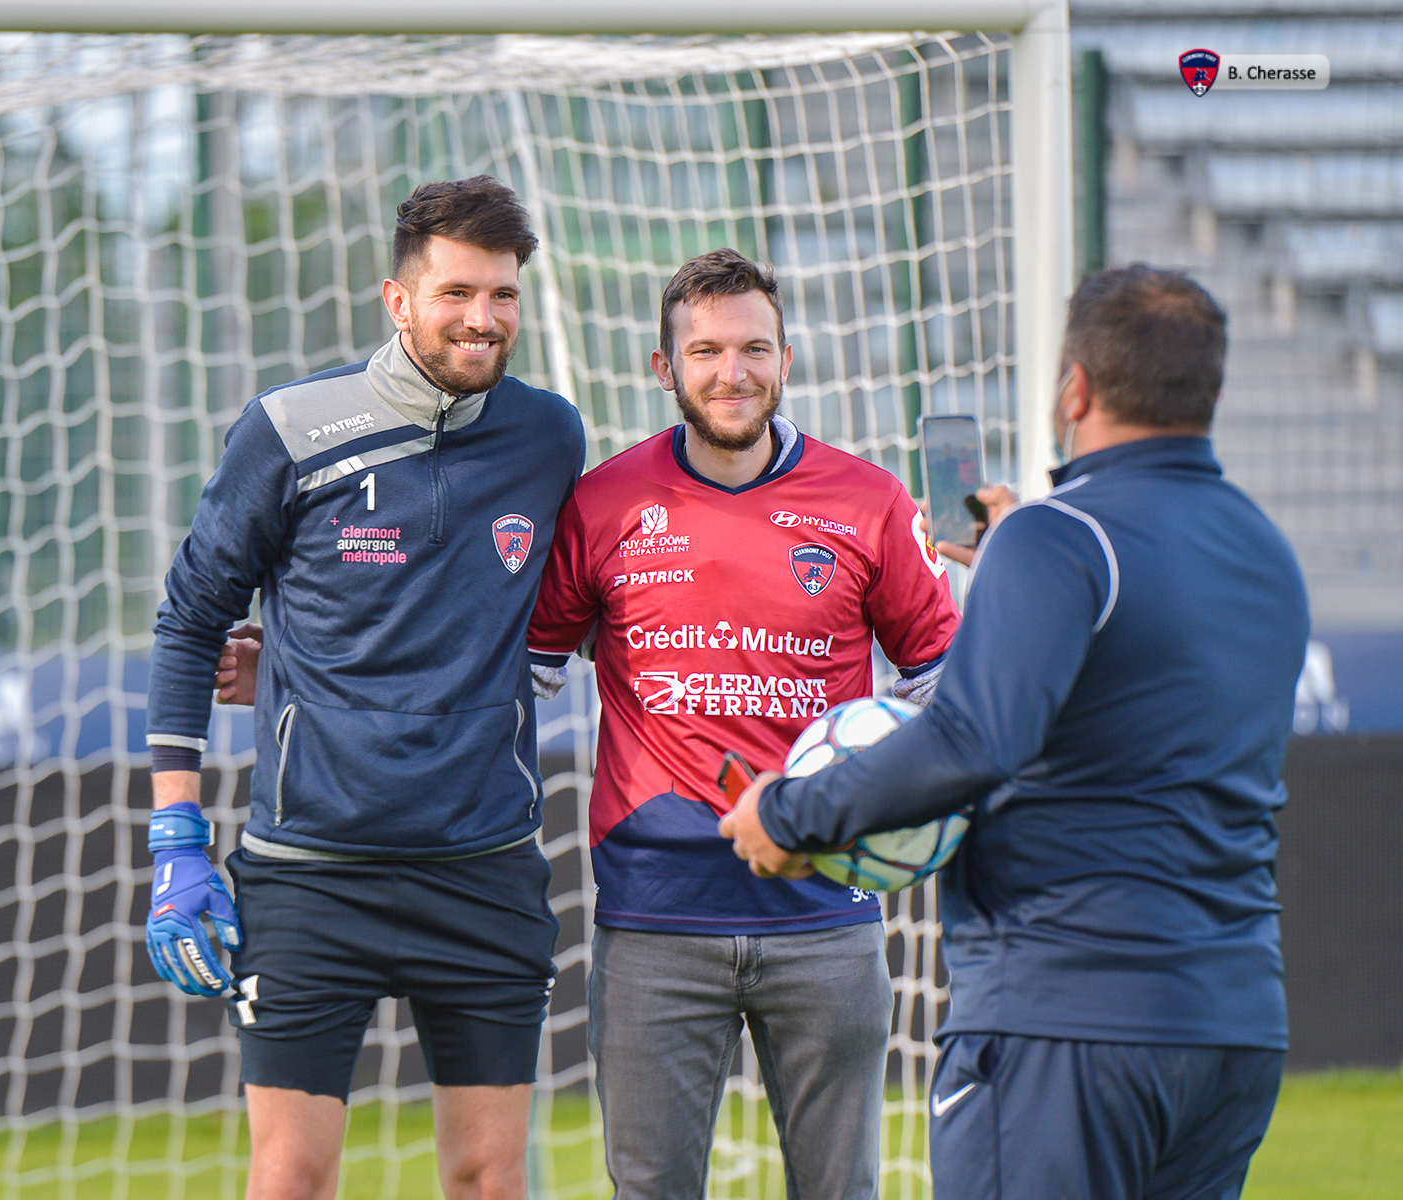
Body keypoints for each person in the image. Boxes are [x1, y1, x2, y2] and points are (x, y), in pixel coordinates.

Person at [722, 264, 1309, 1200]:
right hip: (1234, 1029)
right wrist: (1016, 576)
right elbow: (1132, 706)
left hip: (1068, 1022)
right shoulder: (1267, 552)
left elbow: (969, 741)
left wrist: (792, 813)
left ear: (1074, 386)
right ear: (1214, 391)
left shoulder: (1059, 538)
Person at [144, 175, 586, 1200]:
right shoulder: (289, 430)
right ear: (399, 300)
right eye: (457, 293)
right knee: (290, 1177)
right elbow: (188, 624)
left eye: (504, 295)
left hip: (482, 868)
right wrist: (175, 843)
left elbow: (557, 610)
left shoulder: (549, 437)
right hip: (309, 876)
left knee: (487, 1176)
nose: (482, 319)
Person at [526, 249, 959, 1199]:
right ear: (665, 367)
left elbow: (948, 691)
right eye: (708, 351)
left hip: (827, 917)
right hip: (654, 921)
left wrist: (882, 810)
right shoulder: (603, 502)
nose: (733, 373)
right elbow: (526, 677)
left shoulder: (870, 501)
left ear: (787, 359)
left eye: (754, 349)